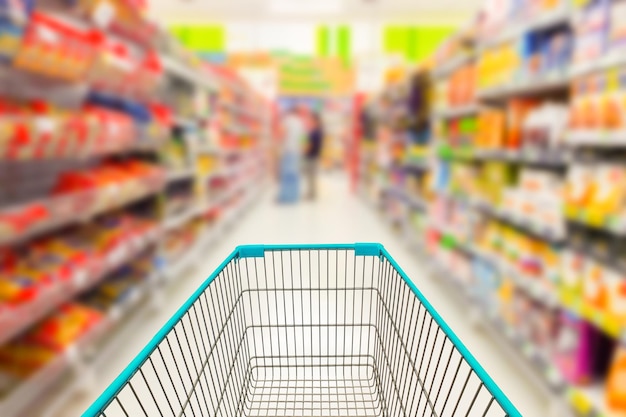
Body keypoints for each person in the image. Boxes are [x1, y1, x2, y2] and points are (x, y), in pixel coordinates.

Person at [277, 106, 305, 204]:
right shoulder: (301, 123)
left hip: (288, 150)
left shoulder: (287, 120)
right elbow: (303, 138)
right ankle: (294, 197)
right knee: (295, 175)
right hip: (297, 152)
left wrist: (280, 142)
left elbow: (282, 134)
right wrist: (301, 149)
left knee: (286, 175)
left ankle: (285, 197)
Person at [304, 112, 323, 200]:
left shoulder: (315, 132)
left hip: (311, 157)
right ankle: (311, 193)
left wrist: (303, 149)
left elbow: (309, 145)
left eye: (311, 120)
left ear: (315, 121)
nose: (309, 121)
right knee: (311, 176)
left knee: (311, 176)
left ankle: (311, 194)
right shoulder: (318, 131)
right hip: (314, 156)